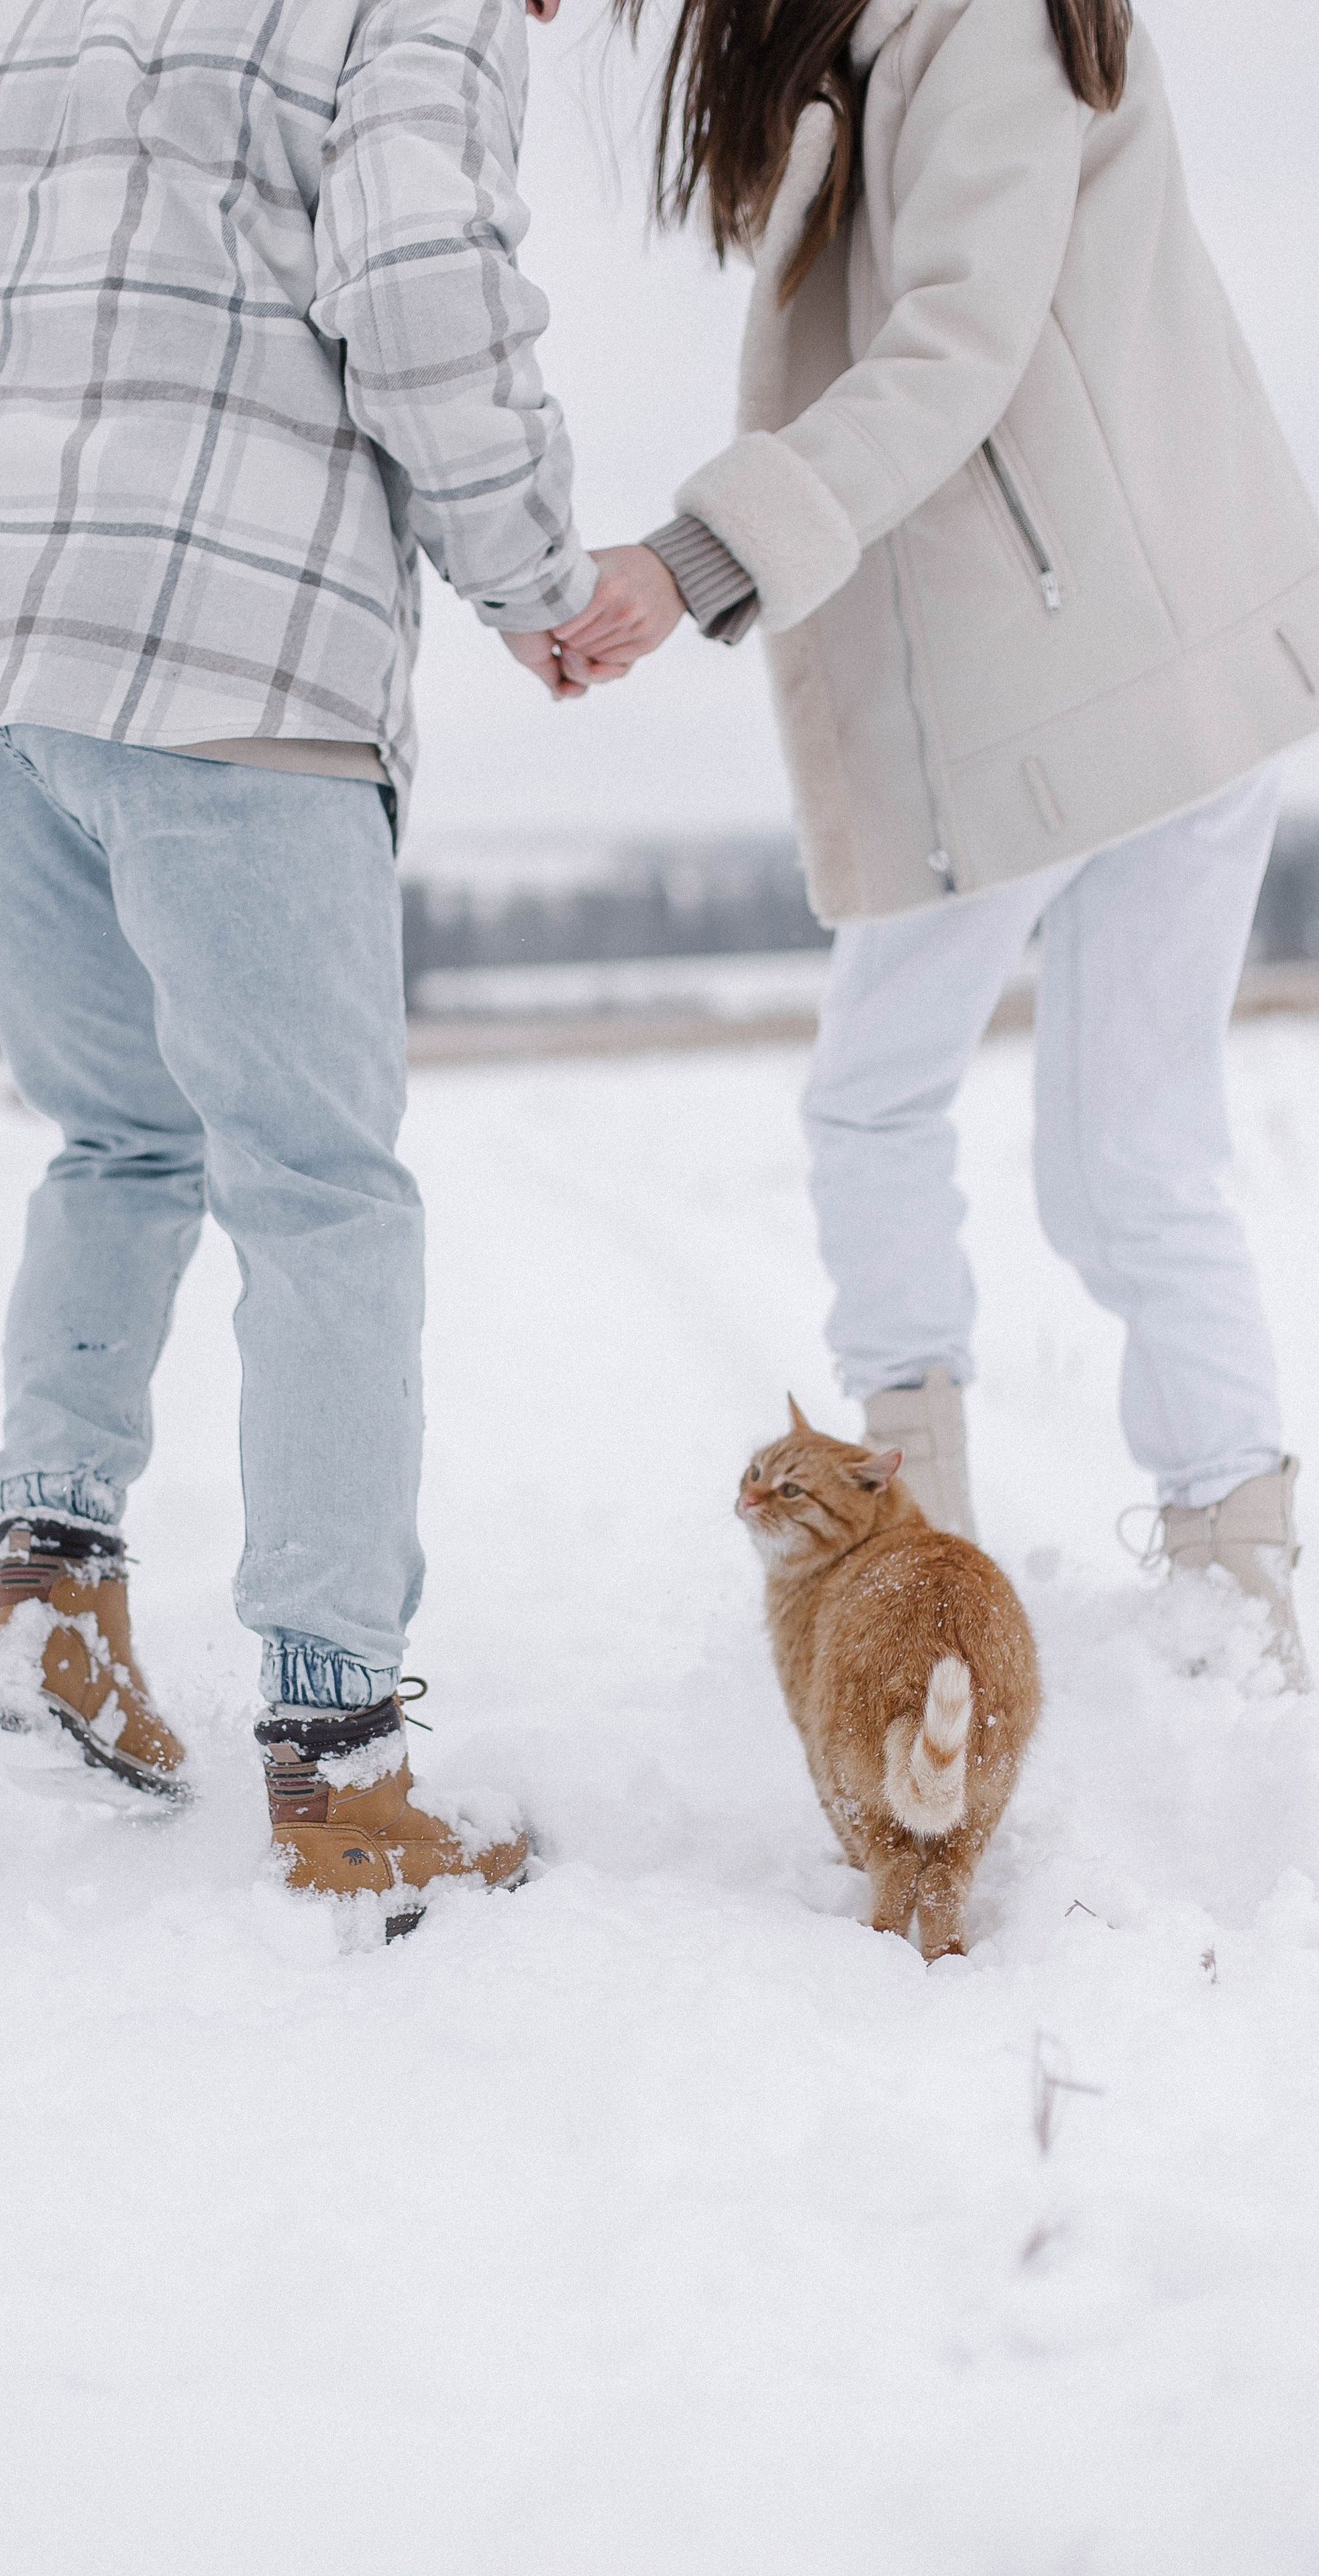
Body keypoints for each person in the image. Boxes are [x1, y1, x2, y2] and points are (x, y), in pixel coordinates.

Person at [0, 0, 634, 1915]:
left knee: (123, 1136)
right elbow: (417, 273)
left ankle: (58, 1611)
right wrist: (533, 575)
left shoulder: (28, 14)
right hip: (225, 657)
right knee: (318, 1193)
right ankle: (343, 1770)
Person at [557, 0, 1319, 1684]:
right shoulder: (934, 38)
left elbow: (954, 344)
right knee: (1133, 1156)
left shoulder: (972, 26)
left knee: (874, 1104)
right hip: (1182, 670)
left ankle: (912, 1578)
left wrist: (695, 555)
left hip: (1052, 685)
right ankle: (1231, 1606)